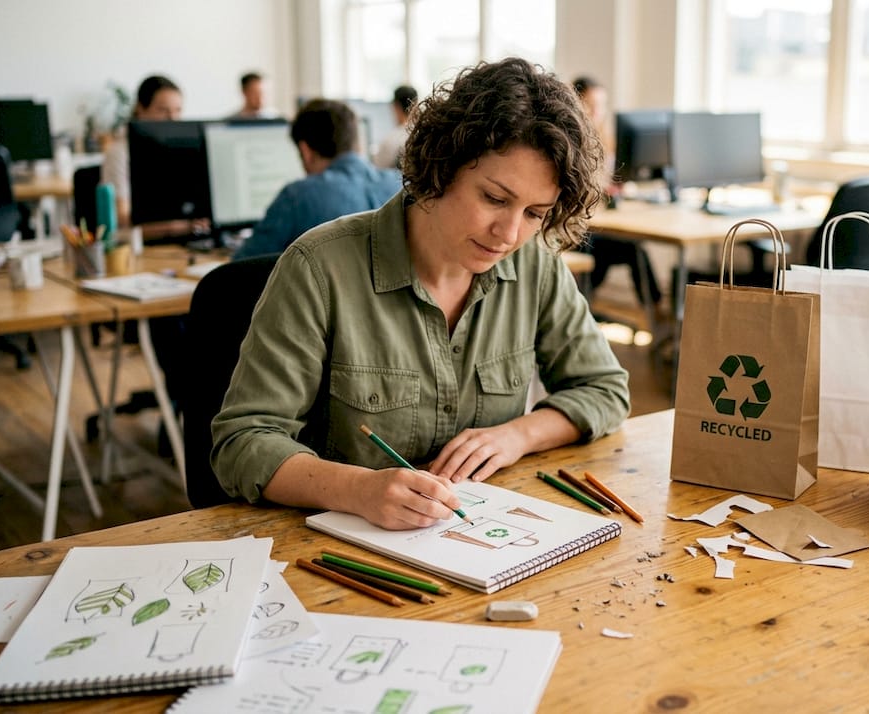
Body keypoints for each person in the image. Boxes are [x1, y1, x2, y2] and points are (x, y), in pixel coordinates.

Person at [211, 58, 630, 530]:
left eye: (535, 212)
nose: (509, 233)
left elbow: (605, 389)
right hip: (338, 548)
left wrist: (517, 435)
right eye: (494, 198)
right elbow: (243, 441)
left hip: (476, 537)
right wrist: (358, 489)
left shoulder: (535, 265)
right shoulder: (318, 267)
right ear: (440, 167)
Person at [233, 99, 401, 259]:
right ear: (356, 141)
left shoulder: (297, 197)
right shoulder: (400, 185)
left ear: (305, 151)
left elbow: (241, 267)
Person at [570, 76, 663, 312]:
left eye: (602, 104)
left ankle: (655, 312)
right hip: (575, 232)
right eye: (591, 104)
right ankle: (583, 306)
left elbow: (606, 179)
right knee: (632, 250)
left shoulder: (604, 139)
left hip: (596, 226)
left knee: (633, 249)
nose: (597, 112)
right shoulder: (568, 142)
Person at [100, 75, 184, 227]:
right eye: (163, 110)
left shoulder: (178, 149)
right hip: (143, 245)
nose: (173, 119)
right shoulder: (120, 152)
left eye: (178, 111)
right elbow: (122, 220)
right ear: (140, 109)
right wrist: (174, 228)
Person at [371, 84, 417, 169]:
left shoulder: (390, 140)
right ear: (416, 104)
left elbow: (376, 170)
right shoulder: (422, 134)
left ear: (396, 106)